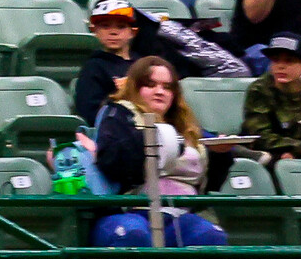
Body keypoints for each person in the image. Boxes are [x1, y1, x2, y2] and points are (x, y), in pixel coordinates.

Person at [89, 55, 235, 247]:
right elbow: (114, 163)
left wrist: (221, 154)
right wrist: (161, 143)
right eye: (150, 85)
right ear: (135, 87)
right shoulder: (118, 114)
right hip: (128, 211)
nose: (160, 92)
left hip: (180, 215)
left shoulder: (187, 126)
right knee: (133, 236)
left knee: (209, 237)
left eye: (167, 87)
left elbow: (210, 184)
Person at [244, 34, 301, 157]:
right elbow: (260, 136)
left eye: (289, 61)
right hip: (270, 153)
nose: (281, 66)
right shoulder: (259, 90)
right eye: (276, 60)